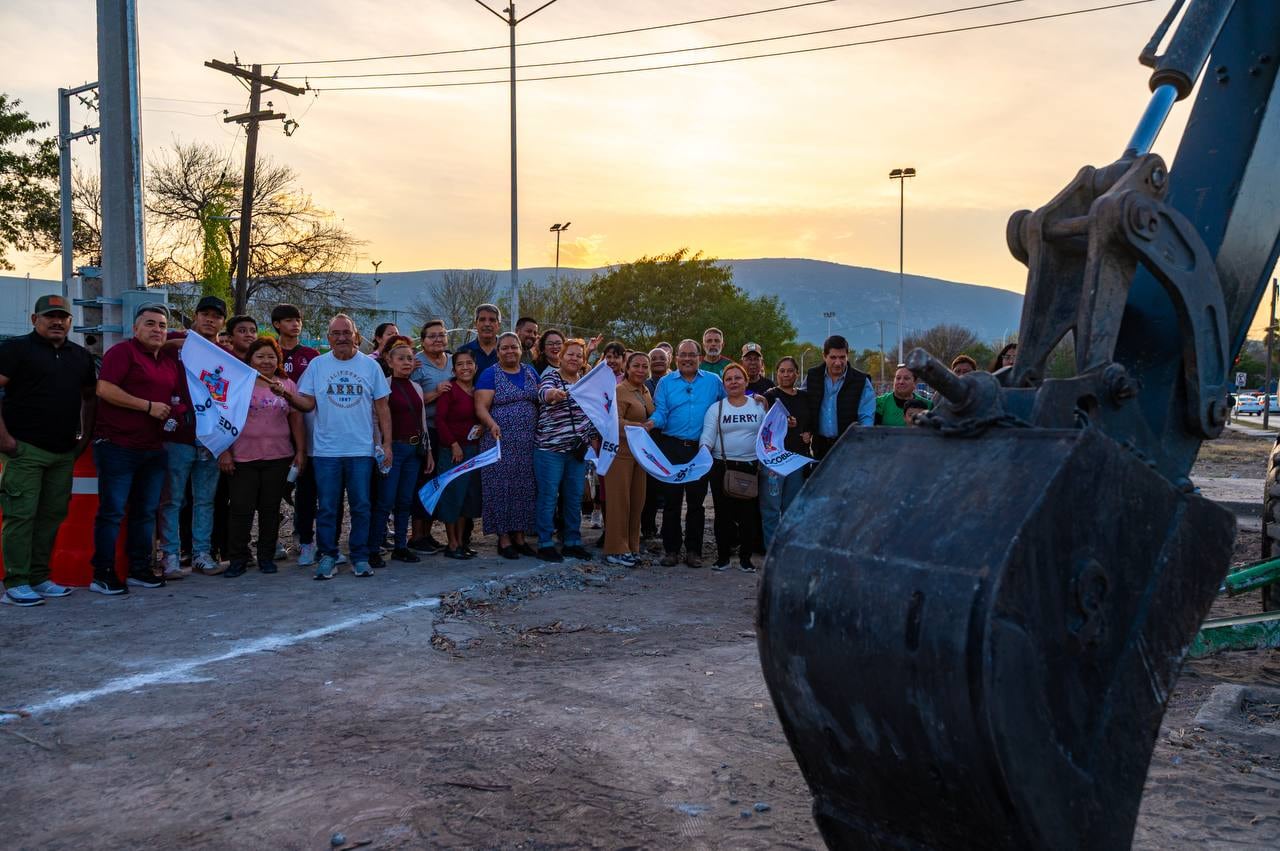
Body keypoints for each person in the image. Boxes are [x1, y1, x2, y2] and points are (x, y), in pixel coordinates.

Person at [0, 295, 97, 606]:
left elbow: (89, 398)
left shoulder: (79, 356)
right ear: (34, 320)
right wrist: (4, 439)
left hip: (63, 452)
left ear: (70, 321)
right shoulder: (16, 349)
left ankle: (40, 577)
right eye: (50, 316)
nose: (57, 322)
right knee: (21, 516)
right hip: (24, 449)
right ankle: (15, 581)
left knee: (51, 516)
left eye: (63, 317)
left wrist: (83, 439)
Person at [90, 303, 184, 595]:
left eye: (162, 325)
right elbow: (104, 389)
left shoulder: (168, 361)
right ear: (135, 328)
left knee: (145, 513)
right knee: (113, 511)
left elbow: (189, 344)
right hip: (118, 446)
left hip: (153, 448)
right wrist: (147, 407)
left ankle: (139, 570)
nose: (157, 330)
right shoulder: (122, 352)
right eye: (150, 324)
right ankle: (103, 574)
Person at [294, 314, 392, 580]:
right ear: (328, 338)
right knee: (327, 507)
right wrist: (286, 396)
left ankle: (359, 557)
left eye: (346, 333)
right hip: (326, 452)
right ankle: (328, 556)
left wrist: (386, 443)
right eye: (335, 333)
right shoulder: (317, 365)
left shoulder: (370, 367)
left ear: (356, 336)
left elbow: (383, 408)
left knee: (361, 506)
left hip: (361, 450)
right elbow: (307, 404)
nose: (341, 338)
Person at [220, 337, 306, 577]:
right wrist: (224, 451)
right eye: (260, 356)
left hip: (278, 458)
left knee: (270, 510)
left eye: (271, 356)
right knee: (240, 510)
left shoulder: (287, 385)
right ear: (250, 359)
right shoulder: (237, 383)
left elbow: (296, 419)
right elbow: (222, 419)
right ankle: (238, 558)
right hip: (242, 458)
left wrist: (300, 451)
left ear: (278, 359)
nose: (266, 361)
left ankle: (266, 557)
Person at [157, 294, 228, 578]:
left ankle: (201, 552)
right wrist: (176, 343)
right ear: (196, 316)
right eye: (205, 314)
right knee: (173, 499)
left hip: (210, 438)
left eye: (216, 316)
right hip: (178, 435)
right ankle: (171, 555)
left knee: (205, 499)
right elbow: (149, 346)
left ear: (223, 321)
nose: (210, 319)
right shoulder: (176, 339)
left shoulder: (225, 355)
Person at [646, 339, 726, 568]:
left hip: (700, 451)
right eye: (683, 355)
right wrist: (651, 423)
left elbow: (727, 403)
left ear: (699, 358)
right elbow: (661, 411)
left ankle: (694, 551)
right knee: (671, 503)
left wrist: (756, 401)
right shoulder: (665, 383)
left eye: (692, 355)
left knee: (696, 504)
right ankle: (671, 550)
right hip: (671, 447)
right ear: (677, 358)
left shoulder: (713, 381)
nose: (688, 359)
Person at [368, 336, 434, 567]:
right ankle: (373, 548)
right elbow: (376, 420)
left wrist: (428, 451)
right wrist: (381, 448)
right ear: (390, 360)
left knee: (405, 500)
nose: (406, 362)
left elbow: (422, 421)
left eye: (410, 358)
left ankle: (400, 547)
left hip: (414, 450)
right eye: (401, 358)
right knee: (385, 501)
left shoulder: (416, 387)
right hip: (392, 449)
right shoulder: (383, 385)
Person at [475, 332, 540, 559]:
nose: (509, 351)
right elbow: (481, 406)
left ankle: (520, 537)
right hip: (499, 440)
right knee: (501, 488)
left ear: (521, 349)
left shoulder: (531, 372)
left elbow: (540, 399)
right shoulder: (489, 374)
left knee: (524, 487)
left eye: (514, 347)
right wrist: (491, 423)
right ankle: (503, 539)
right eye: (504, 348)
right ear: (498, 351)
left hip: (527, 441)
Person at [533, 338, 597, 562]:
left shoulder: (585, 381)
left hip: (577, 451)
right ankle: (545, 542)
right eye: (570, 354)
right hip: (550, 450)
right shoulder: (552, 376)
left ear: (583, 360)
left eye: (579, 355)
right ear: (561, 356)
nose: (574, 358)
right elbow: (543, 393)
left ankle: (572, 541)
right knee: (549, 497)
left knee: (573, 497)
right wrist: (553, 395)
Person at [271, 303, 322, 565]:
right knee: (272, 490)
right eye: (289, 320)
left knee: (306, 489)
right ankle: (271, 540)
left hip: (308, 430)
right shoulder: (269, 353)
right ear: (277, 324)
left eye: (298, 319)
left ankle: (304, 539)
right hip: (273, 431)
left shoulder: (312, 355)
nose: (295, 324)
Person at [702, 363, 766, 572]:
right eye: (728, 379)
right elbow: (708, 435)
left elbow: (768, 434)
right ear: (724, 384)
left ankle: (746, 559)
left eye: (738, 378)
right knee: (723, 515)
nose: (733, 382)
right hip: (722, 467)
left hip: (750, 467)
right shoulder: (717, 408)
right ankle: (723, 558)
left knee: (748, 515)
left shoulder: (758, 406)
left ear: (746, 381)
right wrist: (703, 451)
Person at [604, 351, 655, 566]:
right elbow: (613, 422)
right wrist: (639, 427)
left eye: (645, 367)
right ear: (627, 368)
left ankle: (632, 546)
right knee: (620, 503)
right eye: (637, 366)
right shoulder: (619, 391)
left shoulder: (644, 391)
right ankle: (615, 549)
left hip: (638, 455)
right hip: (620, 454)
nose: (641, 370)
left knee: (637, 502)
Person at [408, 319, 453, 552]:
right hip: (424, 432)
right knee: (423, 481)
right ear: (423, 340)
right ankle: (416, 536)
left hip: (446, 430)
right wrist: (435, 393)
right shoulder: (418, 365)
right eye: (432, 336)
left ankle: (427, 534)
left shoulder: (453, 361)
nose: (438, 339)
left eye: (441, 335)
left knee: (437, 482)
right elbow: (411, 400)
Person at [433, 349, 483, 560]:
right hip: (452, 452)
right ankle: (451, 543)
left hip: (473, 451)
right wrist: (453, 444)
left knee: (466, 498)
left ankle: (461, 541)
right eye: (460, 364)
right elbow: (440, 421)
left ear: (475, 366)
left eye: (469, 363)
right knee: (452, 497)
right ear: (454, 369)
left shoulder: (478, 391)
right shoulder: (449, 390)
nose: (465, 368)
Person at [761, 356, 811, 551]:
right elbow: (763, 424)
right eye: (782, 370)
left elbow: (811, 421)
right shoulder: (770, 396)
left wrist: (808, 432)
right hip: (773, 461)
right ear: (776, 373)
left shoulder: (805, 397)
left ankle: (788, 551)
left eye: (790, 370)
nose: (786, 374)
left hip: (796, 460)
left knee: (792, 508)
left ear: (797, 373)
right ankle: (771, 550)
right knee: (771, 508)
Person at [805, 334, 875, 462]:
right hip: (820, 448)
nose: (838, 362)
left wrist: (863, 443)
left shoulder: (861, 381)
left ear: (847, 356)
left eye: (842, 357)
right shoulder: (812, 376)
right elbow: (800, 401)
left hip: (850, 447)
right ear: (824, 356)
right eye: (833, 357)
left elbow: (866, 418)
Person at [639, 346, 671, 543]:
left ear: (669, 360)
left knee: (669, 491)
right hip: (649, 441)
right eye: (654, 358)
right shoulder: (643, 385)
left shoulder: (675, 382)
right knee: (649, 490)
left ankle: (669, 529)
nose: (658, 360)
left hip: (670, 440)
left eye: (662, 357)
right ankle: (648, 528)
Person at [458, 303, 501, 375]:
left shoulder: (509, 351)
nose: (487, 324)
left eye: (492, 320)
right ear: (475, 324)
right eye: (482, 319)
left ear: (499, 325)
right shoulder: (463, 351)